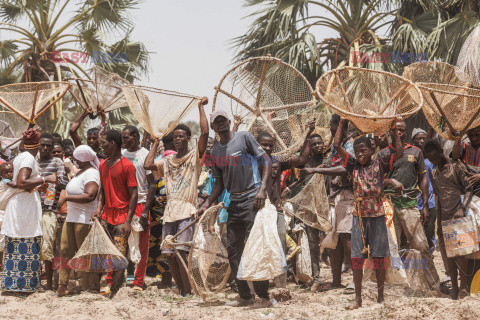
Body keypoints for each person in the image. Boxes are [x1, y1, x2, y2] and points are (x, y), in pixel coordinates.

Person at [196, 110, 275, 308]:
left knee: (254, 248)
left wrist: (262, 189)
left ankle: (264, 297)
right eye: (217, 122)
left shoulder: (244, 138)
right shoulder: (215, 152)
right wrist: (206, 203)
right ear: (213, 127)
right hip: (234, 202)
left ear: (229, 122)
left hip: (252, 198)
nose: (220, 124)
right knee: (233, 249)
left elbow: (265, 159)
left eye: (223, 120)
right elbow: (219, 183)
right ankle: (245, 296)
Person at [335, 118, 403, 309]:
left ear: (371, 150)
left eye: (363, 150)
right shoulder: (353, 165)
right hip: (359, 215)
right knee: (357, 257)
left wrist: (393, 130)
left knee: (380, 256)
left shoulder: (380, 162)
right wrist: (342, 123)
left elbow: (398, 152)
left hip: (377, 213)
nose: (360, 154)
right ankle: (358, 298)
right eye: (357, 151)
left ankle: (381, 296)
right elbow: (336, 145)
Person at [144, 97, 209, 297]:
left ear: (189, 138)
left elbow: (205, 132)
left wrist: (199, 107)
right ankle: (181, 289)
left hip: (187, 210)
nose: (178, 139)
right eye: (175, 137)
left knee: (182, 252)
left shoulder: (194, 157)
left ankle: (187, 291)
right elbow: (147, 166)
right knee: (169, 254)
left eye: (182, 136)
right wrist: (154, 143)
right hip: (169, 212)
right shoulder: (168, 161)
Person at [377, 119, 440, 290]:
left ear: (405, 133)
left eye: (401, 130)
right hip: (389, 205)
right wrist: (389, 181)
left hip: (410, 204)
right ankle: (396, 284)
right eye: (395, 130)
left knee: (421, 245)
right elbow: (375, 181)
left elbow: (423, 178)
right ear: (390, 132)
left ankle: (433, 285)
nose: (398, 132)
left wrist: (425, 205)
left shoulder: (415, 152)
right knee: (394, 247)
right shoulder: (382, 154)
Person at [257, 119, 315, 288]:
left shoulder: (277, 161)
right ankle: (262, 282)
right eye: (263, 145)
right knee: (261, 245)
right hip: (259, 211)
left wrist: (307, 135)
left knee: (280, 244)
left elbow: (303, 158)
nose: (267, 148)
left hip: (277, 210)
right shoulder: (251, 161)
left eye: (270, 145)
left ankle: (280, 283)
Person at [1, 128, 57, 293]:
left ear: (24, 143)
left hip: (22, 206)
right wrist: (45, 178)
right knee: (25, 242)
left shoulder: (22, 157)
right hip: (23, 209)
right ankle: (23, 286)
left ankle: (17, 285)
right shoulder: (28, 158)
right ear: (38, 145)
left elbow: (25, 184)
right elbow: (21, 182)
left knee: (18, 244)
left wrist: (38, 185)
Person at [424, 139, 473, 300]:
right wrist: (439, 220)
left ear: (440, 151)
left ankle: (464, 287)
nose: (434, 161)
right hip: (445, 216)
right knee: (450, 254)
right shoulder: (434, 172)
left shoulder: (456, 166)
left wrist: (462, 208)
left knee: (461, 253)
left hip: (459, 214)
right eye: (431, 160)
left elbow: (468, 189)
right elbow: (438, 198)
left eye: (436, 157)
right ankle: (455, 288)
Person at [93, 130, 138, 297]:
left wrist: (128, 220)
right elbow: (102, 190)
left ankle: (115, 290)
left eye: (103, 143)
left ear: (113, 143)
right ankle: (106, 285)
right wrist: (98, 208)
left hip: (121, 218)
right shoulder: (103, 165)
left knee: (119, 256)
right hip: (106, 217)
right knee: (105, 253)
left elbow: (134, 193)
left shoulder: (127, 165)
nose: (101, 146)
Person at [56, 145, 100, 296]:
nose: (73, 160)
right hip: (72, 217)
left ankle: (89, 286)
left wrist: (66, 198)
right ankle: (62, 285)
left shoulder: (92, 173)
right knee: (65, 250)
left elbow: (90, 195)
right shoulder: (80, 172)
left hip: (84, 219)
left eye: (75, 158)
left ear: (82, 158)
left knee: (84, 253)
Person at [121, 125, 156, 291]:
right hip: (123, 204)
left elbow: (152, 185)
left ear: (135, 136)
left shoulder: (144, 155)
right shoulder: (121, 154)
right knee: (120, 243)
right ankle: (114, 280)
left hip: (140, 203)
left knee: (141, 245)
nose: (124, 141)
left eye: (126, 137)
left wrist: (146, 211)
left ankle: (138, 282)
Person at [38, 133, 68, 291]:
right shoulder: (34, 162)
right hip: (33, 209)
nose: (44, 148)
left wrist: (51, 181)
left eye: (48, 146)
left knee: (48, 247)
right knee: (36, 246)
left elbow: (64, 183)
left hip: (49, 209)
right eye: (42, 145)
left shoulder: (56, 162)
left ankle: (49, 285)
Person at [411, 128, 436, 251]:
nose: (421, 141)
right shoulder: (411, 157)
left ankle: (429, 254)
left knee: (429, 230)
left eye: (423, 138)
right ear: (413, 140)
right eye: (418, 138)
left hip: (430, 200)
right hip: (414, 201)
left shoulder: (431, 159)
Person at [452, 125, 480, 194]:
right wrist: (458, 138)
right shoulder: (464, 145)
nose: (474, 138)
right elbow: (455, 157)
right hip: (466, 185)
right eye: (471, 135)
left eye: (477, 135)